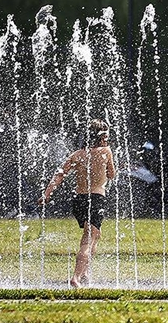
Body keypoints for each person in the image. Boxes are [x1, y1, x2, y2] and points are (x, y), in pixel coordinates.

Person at [38, 119, 116, 287]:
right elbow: (111, 175)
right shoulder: (106, 151)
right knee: (88, 239)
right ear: (102, 137)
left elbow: (59, 175)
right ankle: (76, 277)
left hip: (79, 200)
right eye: (106, 136)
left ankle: (85, 271)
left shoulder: (77, 155)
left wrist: (46, 195)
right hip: (96, 199)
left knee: (95, 235)